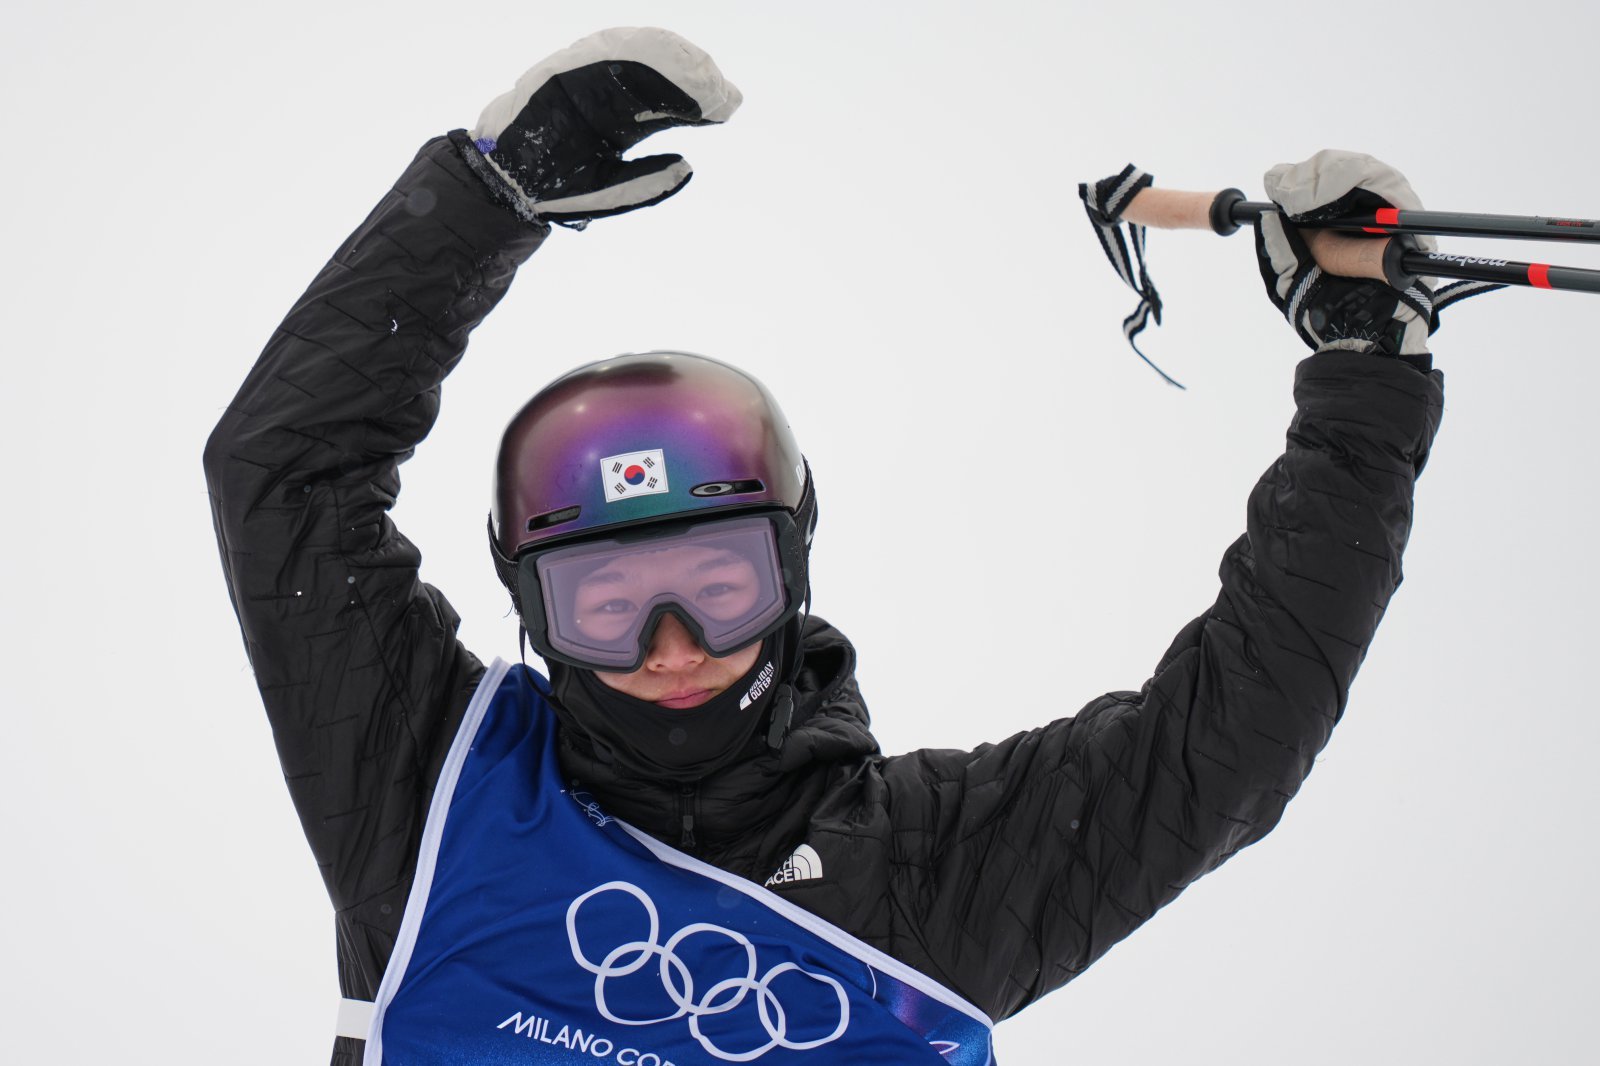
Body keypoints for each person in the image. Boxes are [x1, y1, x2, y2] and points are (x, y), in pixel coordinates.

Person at [204, 27, 1445, 1066]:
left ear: (792, 568)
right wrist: (484, 199)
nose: (671, 648)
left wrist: (1362, 378)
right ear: (527, 604)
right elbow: (283, 476)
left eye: (718, 582)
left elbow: (1225, 738)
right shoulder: (427, 797)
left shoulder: (922, 871)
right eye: (605, 601)